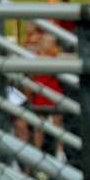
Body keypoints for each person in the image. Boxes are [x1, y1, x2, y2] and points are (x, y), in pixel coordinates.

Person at [27, 34, 67, 163]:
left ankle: (60, 151)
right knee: (39, 125)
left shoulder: (55, 56)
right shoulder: (34, 57)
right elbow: (32, 75)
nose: (47, 44)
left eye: (50, 42)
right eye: (45, 41)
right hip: (40, 92)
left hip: (53, 91)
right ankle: (38, 152)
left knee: (57, 122)